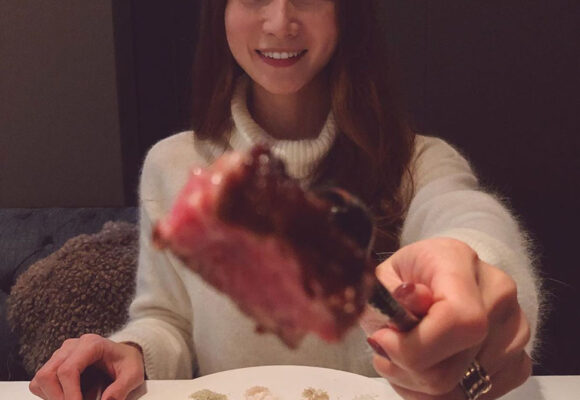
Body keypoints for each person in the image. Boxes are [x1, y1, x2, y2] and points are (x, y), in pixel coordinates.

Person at [29, 1, 541, 400]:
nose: (279, 22)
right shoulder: (173, 165)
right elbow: (169, 320)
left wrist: (474, 269)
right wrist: (131, 351)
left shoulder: (416, 161)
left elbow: (464, 214)